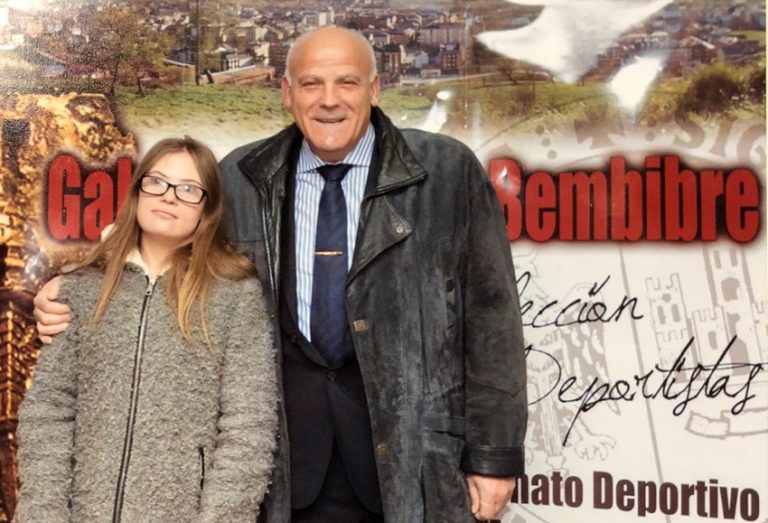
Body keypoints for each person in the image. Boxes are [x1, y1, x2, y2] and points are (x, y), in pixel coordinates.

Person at [35, 26, 527, 522]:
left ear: (376, 90)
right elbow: (167, 258)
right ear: (288, 94)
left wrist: (494, 457)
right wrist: (72, 287)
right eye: (311, 84)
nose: (329, 101)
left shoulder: (445, 172)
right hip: (284, 475)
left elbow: (493, 320)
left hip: (409, 466)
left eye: (347, 83)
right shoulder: (241, 177)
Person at [20, 137, 277, 522]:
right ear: (138, 190)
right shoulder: (82, 287)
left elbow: (248, 427)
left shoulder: (234, 295)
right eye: (157, 181)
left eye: (189, 189)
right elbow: (49, 412)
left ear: (206, 209)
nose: (169, 196)